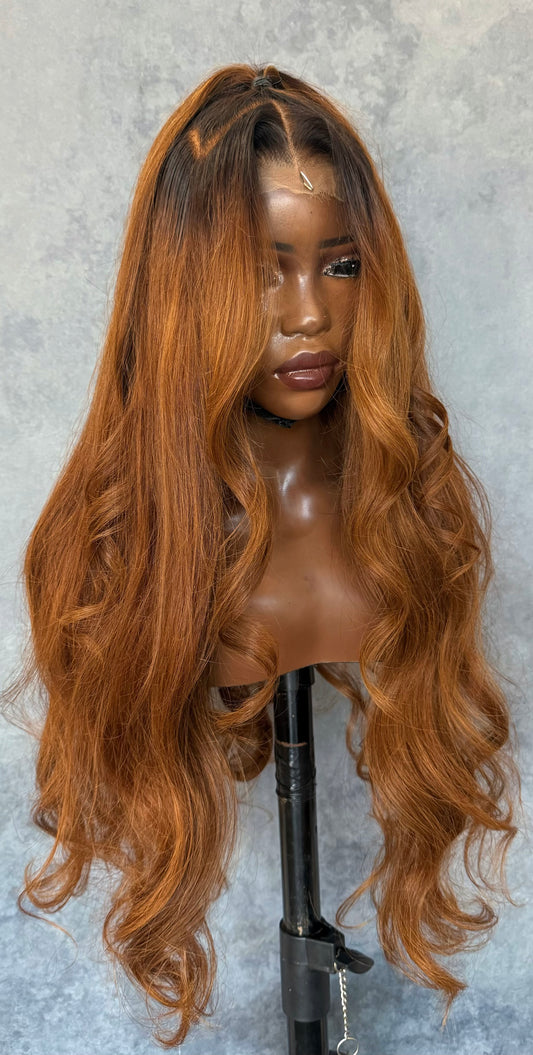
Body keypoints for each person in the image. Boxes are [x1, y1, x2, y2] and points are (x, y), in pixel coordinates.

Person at [3, 63, 518, 1047]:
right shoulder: (137, 555)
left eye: (338, 263)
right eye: (259, 268)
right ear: (183, 286)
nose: (307, 313)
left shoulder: (406, 527)